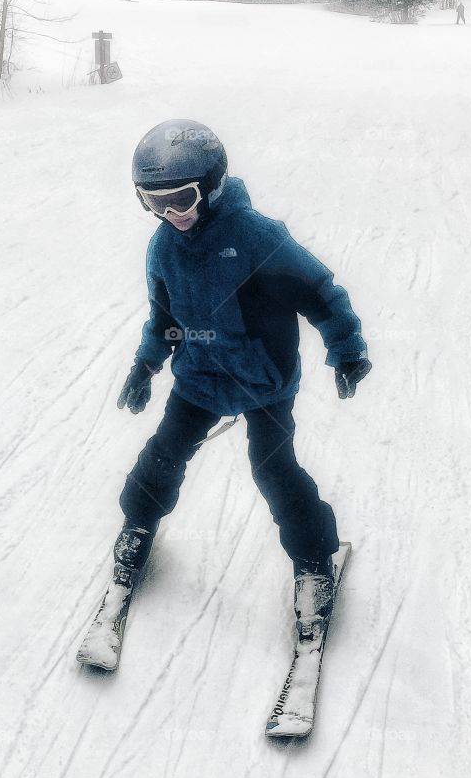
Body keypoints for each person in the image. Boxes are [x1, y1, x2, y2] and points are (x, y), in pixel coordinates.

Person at [109, 119, 371, 620]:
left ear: (212, 187)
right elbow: (163, 318)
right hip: (199, 379)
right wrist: (145, 364)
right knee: (163, 454)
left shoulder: (257, 238)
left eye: (181, 200)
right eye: (154, 203)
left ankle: (314, 561)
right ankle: (137, 525)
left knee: (273, 469)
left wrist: (347, 348)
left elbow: (320, 293)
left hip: (263, 381)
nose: (171, 215)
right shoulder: (163, 248)